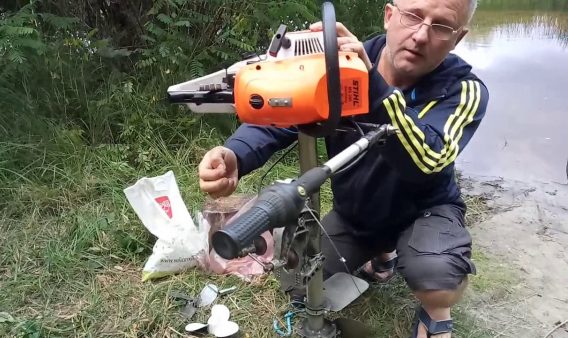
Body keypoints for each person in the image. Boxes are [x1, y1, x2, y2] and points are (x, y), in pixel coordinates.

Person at [197, 0, 488, 337]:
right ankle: (381, 253)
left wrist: (371, 87)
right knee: (299, 283)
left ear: (459, 37)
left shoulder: (464, 90)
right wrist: (236, 154)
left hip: (425, 211)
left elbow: (428, 161)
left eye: (441, 26)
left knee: (435, 274)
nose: (421, 35)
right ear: (390, 15)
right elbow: (283, 112)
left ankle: (436, 312)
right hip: (356, 214)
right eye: (413, 16)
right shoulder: (338, 67)